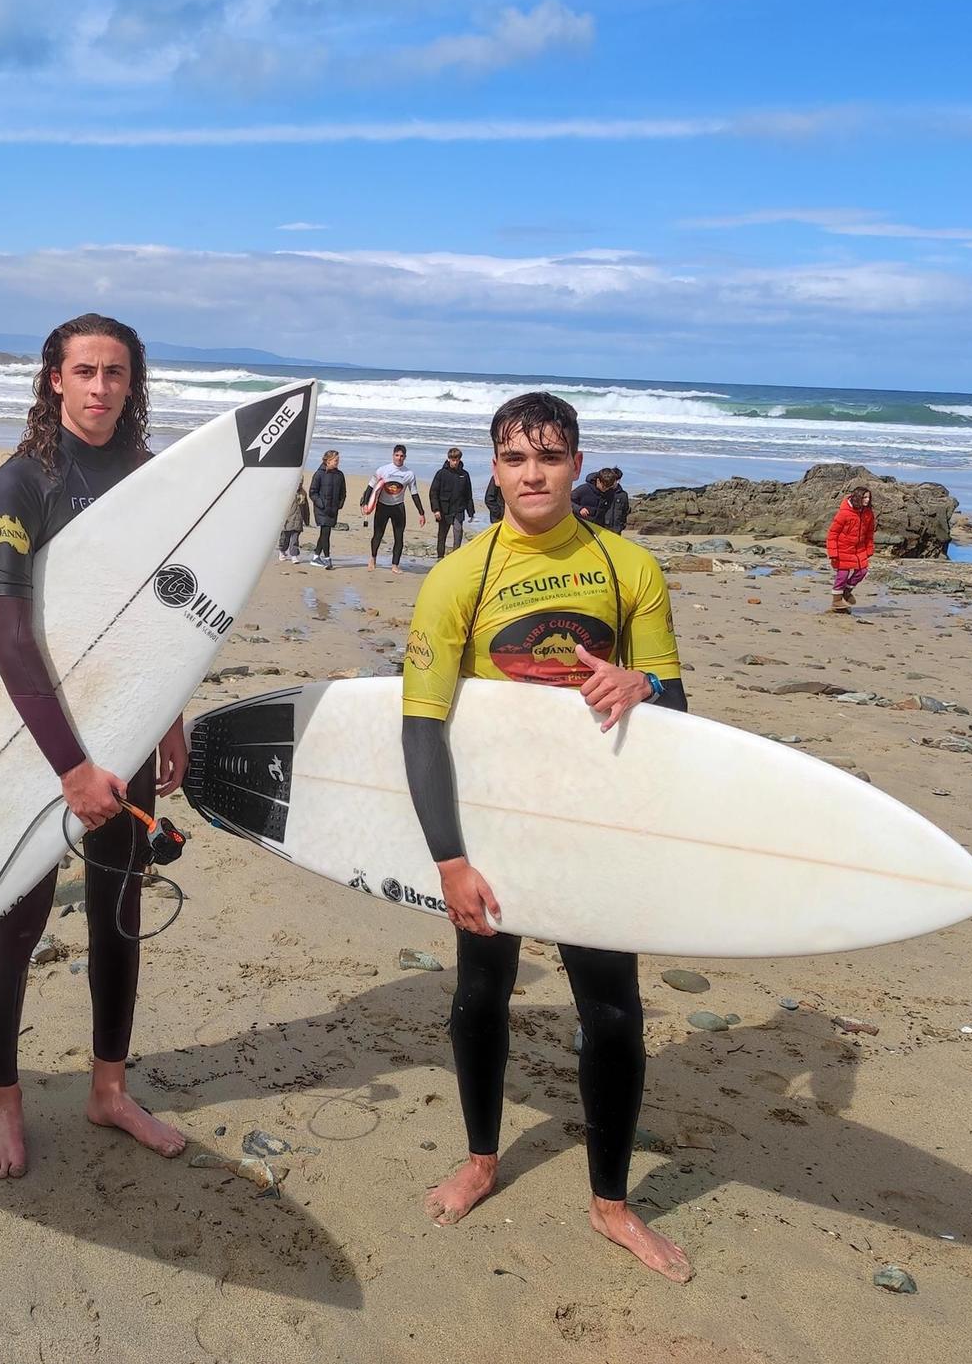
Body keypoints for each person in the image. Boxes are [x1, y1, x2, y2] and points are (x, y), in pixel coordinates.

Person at [400, 390, 694, 1284]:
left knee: (612, 1009)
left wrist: (640, 683)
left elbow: (679, 706)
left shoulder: (627, 566)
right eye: (517, 457)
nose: (534, 473)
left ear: (577, 463)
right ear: (493, 466)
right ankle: (483, 1158)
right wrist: (448, 854)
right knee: (482, 993)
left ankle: (612, 1201)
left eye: (551, 456)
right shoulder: (461, 574)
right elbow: (421, 725)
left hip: (594, 820)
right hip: (494, 823)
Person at [0, 312, 190, 1180]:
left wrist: (167, 712)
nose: (100, 387)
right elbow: (10, 639)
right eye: (85, 371)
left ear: (132, 383)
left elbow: (159, 621)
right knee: (19, 920)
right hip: (37, 733)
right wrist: (68, 763)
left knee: (118, 912)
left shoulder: (149, 478)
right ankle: (3, 1105)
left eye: (116, 372)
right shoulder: (19, 484)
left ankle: (108, 1088)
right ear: (53, 379)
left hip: (128, 724)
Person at [364, 444, 426, 574]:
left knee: (399, 537)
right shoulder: (383, 470)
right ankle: (373, 559)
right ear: (393, 455)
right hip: (382, 506)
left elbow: (414, 494)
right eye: (397, 455)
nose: (399, 458)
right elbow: (370, 487)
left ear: (405, 457)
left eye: (401, 456)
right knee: (378, 535)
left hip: (398, 507)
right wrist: (365, 503)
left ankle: (395, 565)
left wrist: (421, 512)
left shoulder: (409, 474)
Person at [826, 483, 876, 612]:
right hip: (842, 548)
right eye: (864, 498)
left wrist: (869, 549)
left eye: (868, 498)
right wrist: (833, 553)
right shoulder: (844, 513)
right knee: (842, 574)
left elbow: (869, 533)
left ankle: (847, 591)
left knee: (862, 571)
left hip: (859, 549)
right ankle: (836, 601)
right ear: (857, 498)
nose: (867, 500)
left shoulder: (868, 514)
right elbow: (832, 534)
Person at [430, 446, 475, 556]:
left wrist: (471, 512)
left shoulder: (464, 475)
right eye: (453, 460)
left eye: (457, 460)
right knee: (442, 535)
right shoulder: (441, 473)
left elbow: (468, 494)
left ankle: (455, 557)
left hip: (458, 510)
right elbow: (433, 492)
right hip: (444, 510)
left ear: (460, 459)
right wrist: (436, 510)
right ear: (449, 459)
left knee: (458, 532)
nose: (455, 462)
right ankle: (440, 557)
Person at [309, 449, 347, 568]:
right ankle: (327, 558)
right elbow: (313, 492)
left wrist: (339, 505)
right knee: (326, 533)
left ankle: (315, 557)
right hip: (321, 509)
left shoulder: (340, 475)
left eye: (338, 460)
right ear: (328, 460)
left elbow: (343, 492)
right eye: (335, 460)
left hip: (333, 509)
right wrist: (321, 504)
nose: (337, 462)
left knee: (324, 533)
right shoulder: (319, 474)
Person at [573, 466, 630, 533]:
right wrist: (579, 509)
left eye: (608, 487)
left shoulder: (610, 493)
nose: (605, 489)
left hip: (598, 530)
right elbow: (567, 501)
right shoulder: (583, 489)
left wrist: (620, 526)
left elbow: (621, 512)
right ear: (598, 480)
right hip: (580, 527)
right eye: (603, 486)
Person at [277, 477, 311, 562]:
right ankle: (282, 551)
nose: (299, 484)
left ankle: (294, 555)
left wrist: (306, 520)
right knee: (285, 538)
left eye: (301, 483)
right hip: (287, 520)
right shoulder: (287, 493)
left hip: (298, 520)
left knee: (295, 539)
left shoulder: (303, 493)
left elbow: (306, 508)